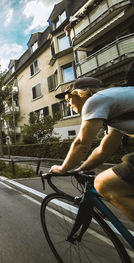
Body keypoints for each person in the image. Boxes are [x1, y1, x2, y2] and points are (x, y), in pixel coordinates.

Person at [50, 68, 134, 222]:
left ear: (79, 93)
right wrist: (80, 169)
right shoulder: (113, 108)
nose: (67, 104)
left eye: (68, 99)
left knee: (105, 184)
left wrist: (63, 168)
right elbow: (103, 150)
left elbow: (81, 144)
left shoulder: (94, 101)